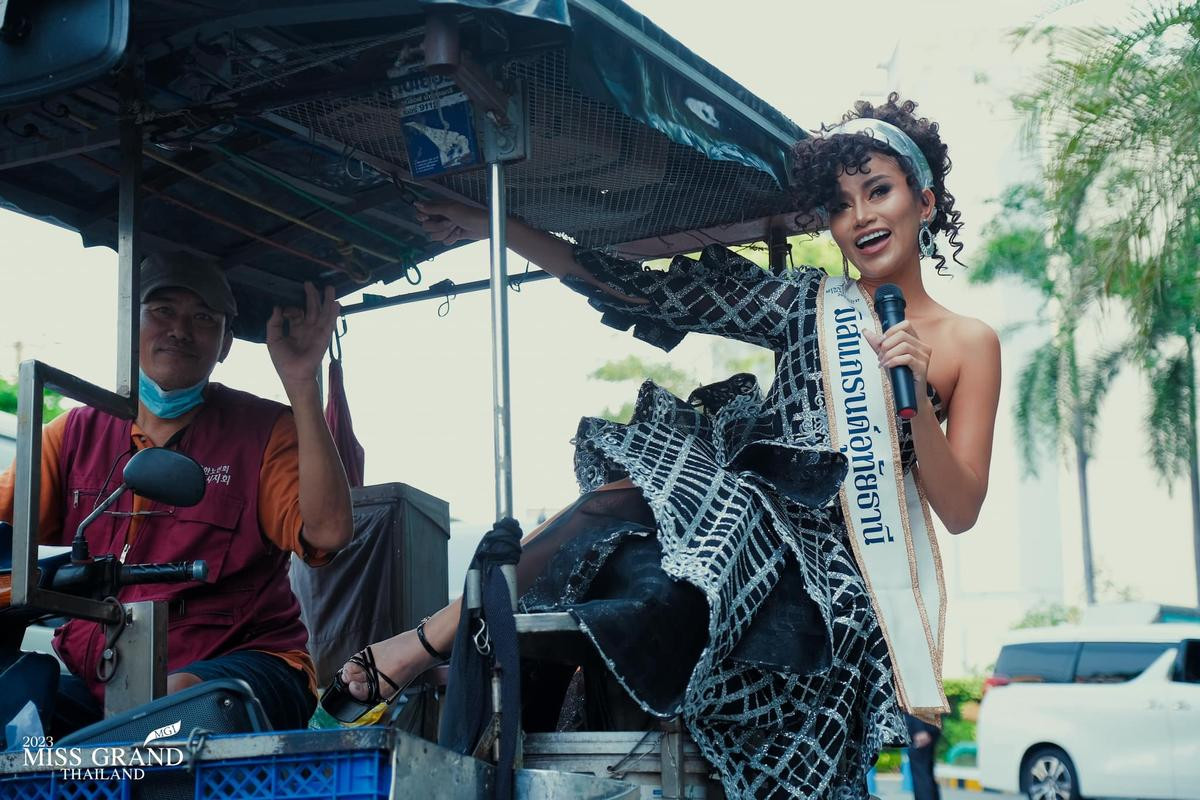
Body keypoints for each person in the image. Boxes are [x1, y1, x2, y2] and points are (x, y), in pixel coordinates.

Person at [331, 93, 1000, 798]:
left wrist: (916, 402)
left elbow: (959, 510)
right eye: (839, 204)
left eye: (878, 191)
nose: (860, 216)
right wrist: (490, 225)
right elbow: (640, 292)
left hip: (837, 578)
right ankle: (436, 639)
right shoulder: (809, 305)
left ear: (923, 203)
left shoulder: (969, 344)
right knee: (617, 496)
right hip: (752, 511)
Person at [0, 252, 353, 734]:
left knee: (170, 704)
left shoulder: (267, 430)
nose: (180, 330)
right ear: (130, 324)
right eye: (162, 311)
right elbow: (5, 530)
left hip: (245, 667)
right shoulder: (73, 433)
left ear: (226, 342)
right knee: (19, 714)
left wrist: (301, 382)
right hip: (105, 679)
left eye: (203, 318)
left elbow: (329, 533)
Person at [905, 712, 942, 800]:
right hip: (929, 724)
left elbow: (916, 701)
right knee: (926, 772)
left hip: (922, 728)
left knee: (921, 775)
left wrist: (919, 729)